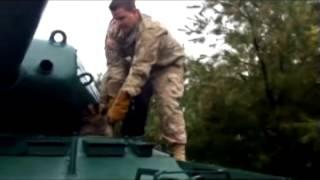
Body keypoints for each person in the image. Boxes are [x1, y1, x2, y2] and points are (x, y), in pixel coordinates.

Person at [104, 0, 187, 161]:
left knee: (167, 102)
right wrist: (112, 97)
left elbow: (140, 70)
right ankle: (107, 136)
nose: (119, 23)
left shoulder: (151, 31)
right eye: (115, 19)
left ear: (135, 12)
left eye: (122, 18)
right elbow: (115, 66)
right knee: (106, 90)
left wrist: (123, 97)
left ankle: (178, 151)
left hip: (166, 66)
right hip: (136, 64)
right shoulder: (114, 30)